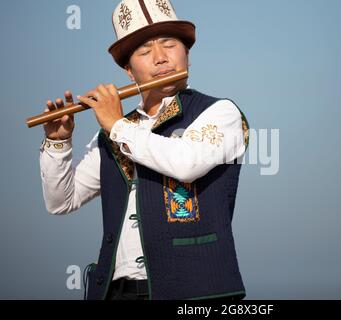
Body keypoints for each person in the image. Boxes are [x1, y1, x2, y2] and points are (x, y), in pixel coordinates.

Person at [39, 0, 249, 300]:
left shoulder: (220, 112)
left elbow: (185, 163)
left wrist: (116, 125)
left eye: (170, 45)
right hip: (116, 293)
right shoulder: (113, 132)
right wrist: (59, 143)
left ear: (187, 54)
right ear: (129, 71)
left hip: (195, 294)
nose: (161, 58)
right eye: (145, 52)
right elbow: (61, 201)